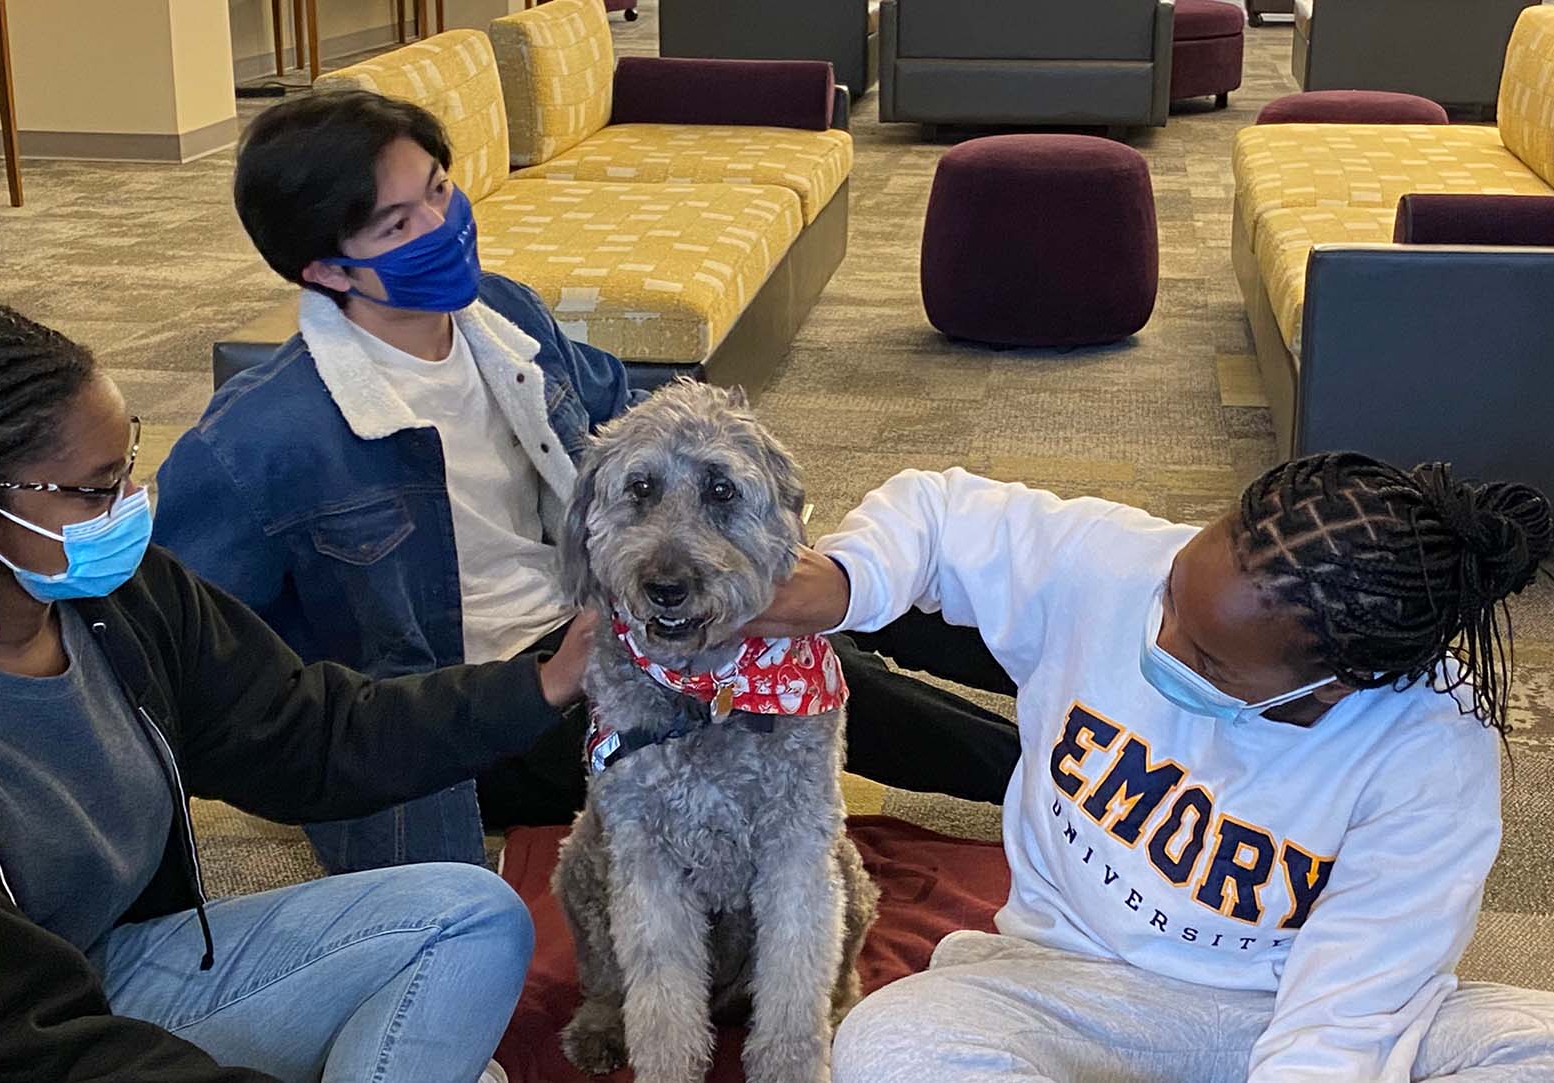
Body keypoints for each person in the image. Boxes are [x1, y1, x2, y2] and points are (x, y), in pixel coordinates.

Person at [153, 89, 1024, 876]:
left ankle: (1097, 673)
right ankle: (1064, 778)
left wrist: (752, 524)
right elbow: (178, 668)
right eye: (397, 225)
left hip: (607, 602)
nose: (442, 225)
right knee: (814, 667)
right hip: (498, 707)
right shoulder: (260, 443)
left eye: (440, 190)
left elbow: (636, 417)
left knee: (847, 581)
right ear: (324, 270)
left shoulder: (501, 315)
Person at [0, 299, 598, 1081]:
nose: (126, 511)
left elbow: (309, 731)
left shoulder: (120, 598)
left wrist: (542, 683)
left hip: (112, 968)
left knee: (472, 916)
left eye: (125, 472)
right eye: (91, 491)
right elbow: (6, 1040)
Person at [744, 455, 1554, 1081]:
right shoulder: (1116, 562)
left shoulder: (1429, 744)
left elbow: (1349, 1006)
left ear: (1339, 684)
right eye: (1175, 594)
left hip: (1284, 1009)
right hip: (1063, 982)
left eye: (1210, 661)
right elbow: (940, 512)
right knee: (889, 1042)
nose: (1162, 645)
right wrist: (846, 575)